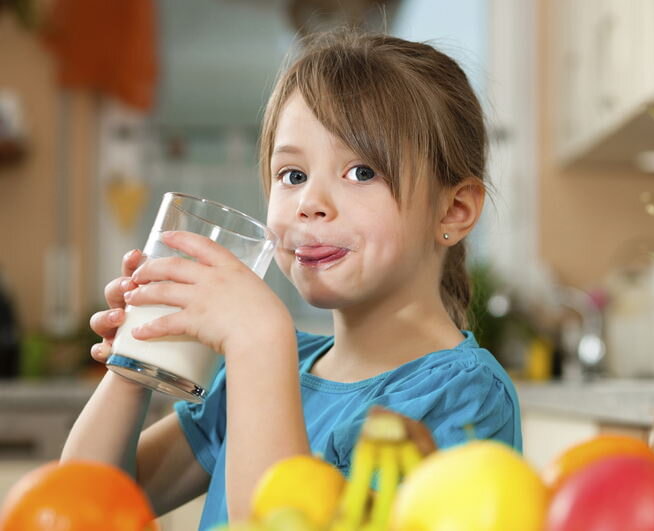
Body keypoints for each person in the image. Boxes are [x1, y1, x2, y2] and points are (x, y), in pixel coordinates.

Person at [61, 30, 522, 530]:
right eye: (292, 175)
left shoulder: (466, 397)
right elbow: (85, 505)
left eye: (362, 171)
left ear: (453, 210)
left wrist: (259, 342)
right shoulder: (270, 370)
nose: (309, 203)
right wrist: (134, 366)